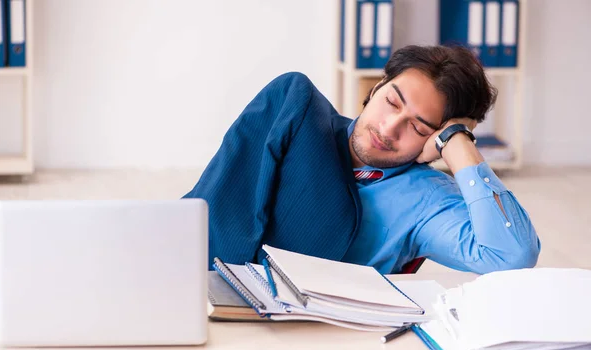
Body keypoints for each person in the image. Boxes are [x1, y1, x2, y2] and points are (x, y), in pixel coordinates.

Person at [183, 45, 541, 275]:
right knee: (292, 88)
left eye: (418, 126)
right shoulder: (297, 118)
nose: (389, 128)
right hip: (213, 286)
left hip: (316, 334)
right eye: (392, 102)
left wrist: (459, 142)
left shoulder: (426, 200)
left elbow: (512, 256)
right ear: (375, 88)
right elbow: (221, 201)